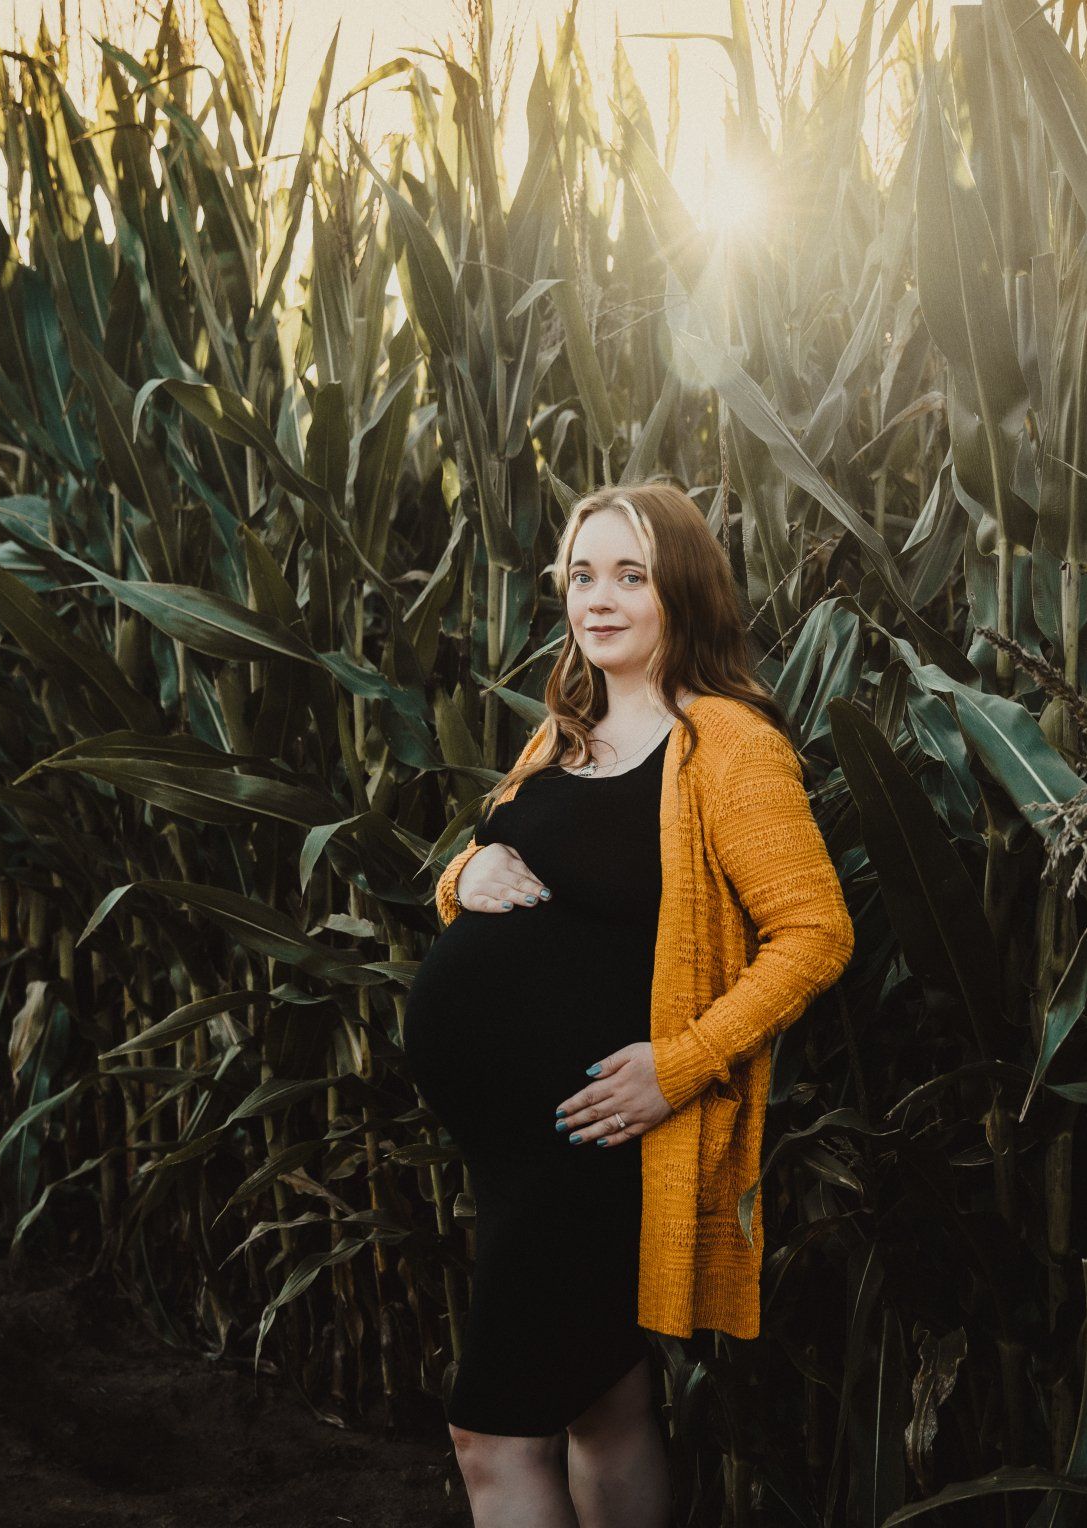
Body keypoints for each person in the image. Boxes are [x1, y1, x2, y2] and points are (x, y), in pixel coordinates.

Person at [401, 481, 856, 1525]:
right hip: (519, 1154)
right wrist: (456, 881)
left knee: (493, 1433)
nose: (598, 600)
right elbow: (501, 869)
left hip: (599, 1146)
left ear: (682, 590)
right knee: (601, 1409)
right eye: (582, 575)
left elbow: (817, 932)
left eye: (631, 576)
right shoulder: (561, 735)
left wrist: (681, 1065)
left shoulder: (727, 745)